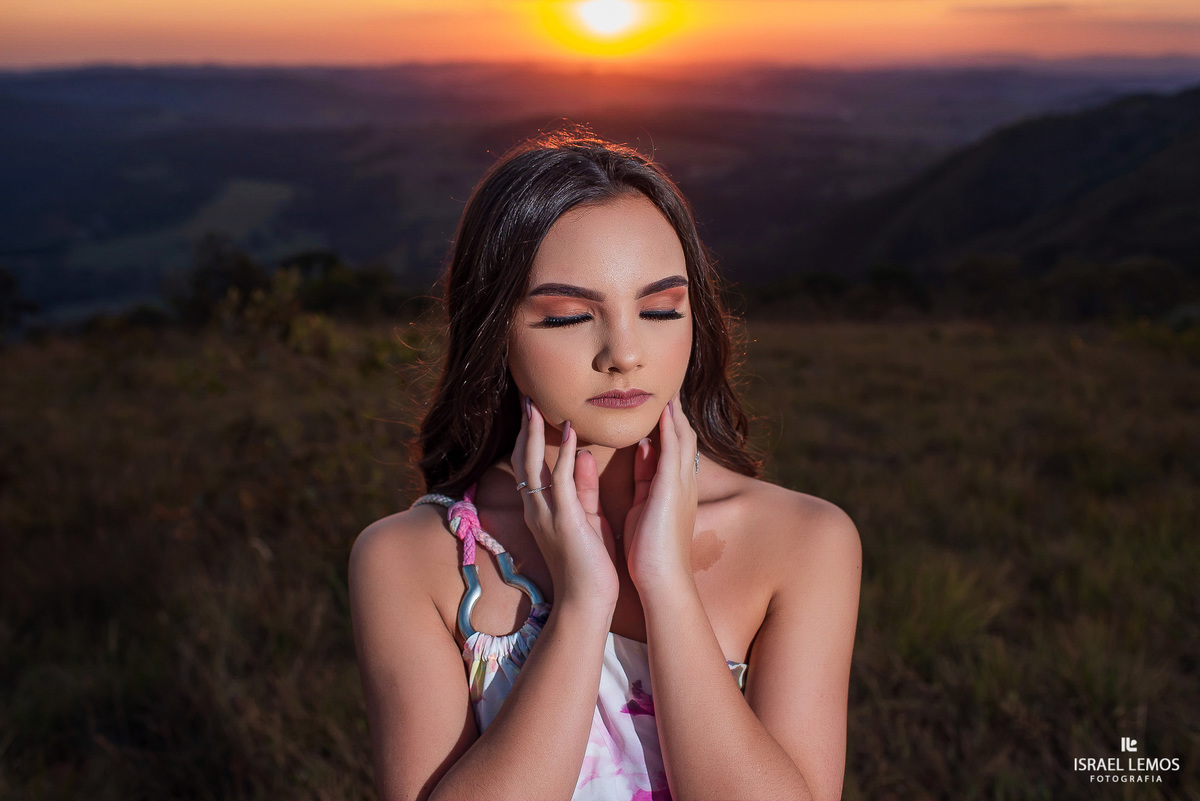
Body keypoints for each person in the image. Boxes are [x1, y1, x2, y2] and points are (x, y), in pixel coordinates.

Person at [349, 129, 862, 801]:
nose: (625, 351)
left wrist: (668, 584)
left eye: (659, 308)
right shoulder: (410, 558)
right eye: (566, 316)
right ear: (493, 330)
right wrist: (582, 606)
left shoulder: (806, 540)